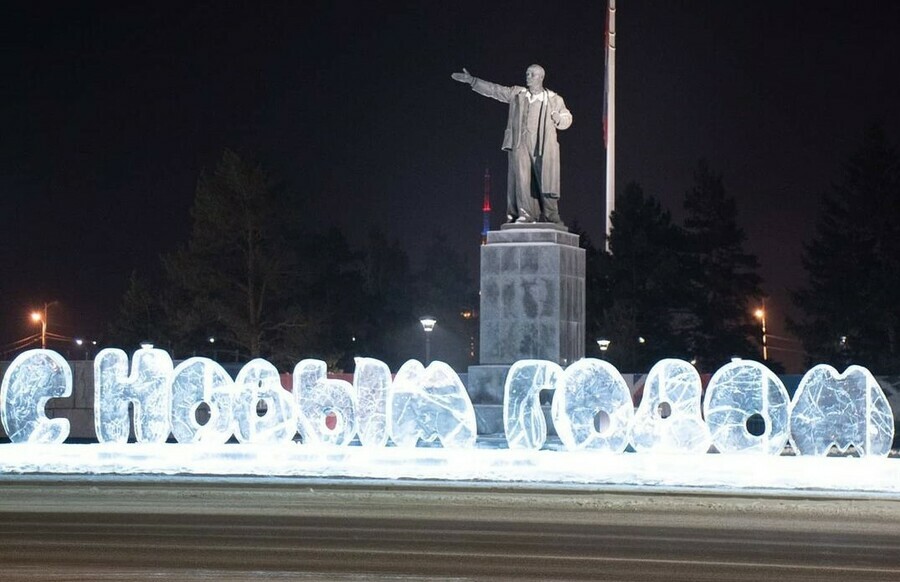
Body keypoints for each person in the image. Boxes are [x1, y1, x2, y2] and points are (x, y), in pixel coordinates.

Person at [452, 64, 573, 225]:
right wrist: (473, 81)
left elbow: (567, 117)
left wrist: (559, 118)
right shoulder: (517, 94)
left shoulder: (553, 99)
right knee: (522, 180)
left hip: (543, 146)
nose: (528, 77)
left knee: (545, 180)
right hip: (519, 143)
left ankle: (552, 214)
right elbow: (495, 90)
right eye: (527, 74)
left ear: (541, 77)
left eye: (532, 74)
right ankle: (525, 214)